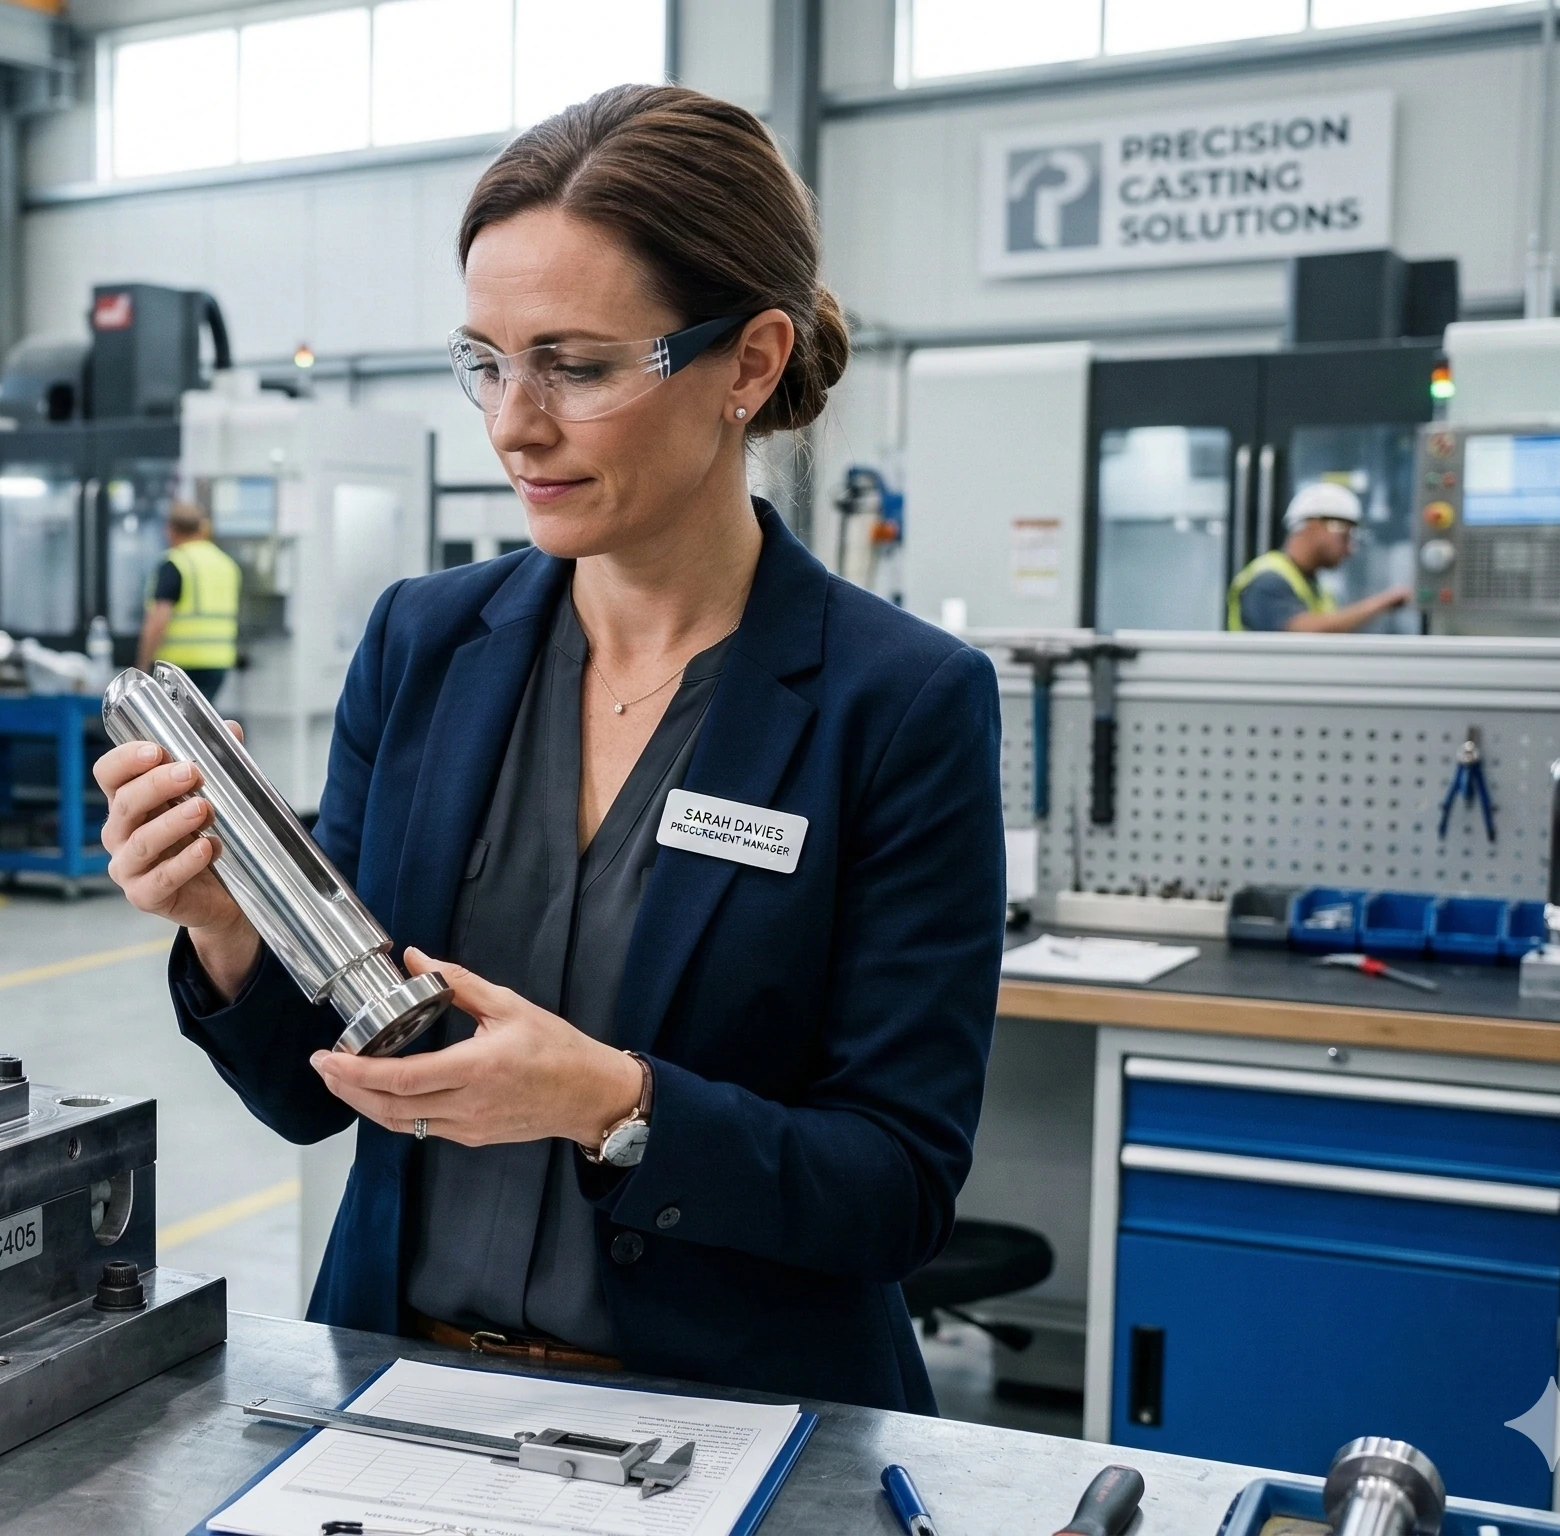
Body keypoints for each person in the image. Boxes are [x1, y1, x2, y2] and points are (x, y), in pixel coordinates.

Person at [92, 85, 1002, 1411]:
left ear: (748, 364)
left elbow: (896, 1191)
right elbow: (313, 1096)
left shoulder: (897, 703)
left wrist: (614, 1103)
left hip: (726, 1427)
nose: (514, 423)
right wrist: (231, 923)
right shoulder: (425, 643)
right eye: (486, 361)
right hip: (402, 1399)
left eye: (575, 365)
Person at [1227, 481, 1413, 633]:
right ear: (1313, 525)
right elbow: (1306, 631)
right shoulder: (1268, 581)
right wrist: (1383, 602)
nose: (1350, 549)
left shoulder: (1317, 589)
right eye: (1345, 536)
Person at [136, 502, 241, 701]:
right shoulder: (226, 563)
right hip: (219, 662)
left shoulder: (176, 563)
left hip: (180, 667)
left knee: (176, 729)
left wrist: (142, 664)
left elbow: (158, 619)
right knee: (200, 725)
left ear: (171, 530)